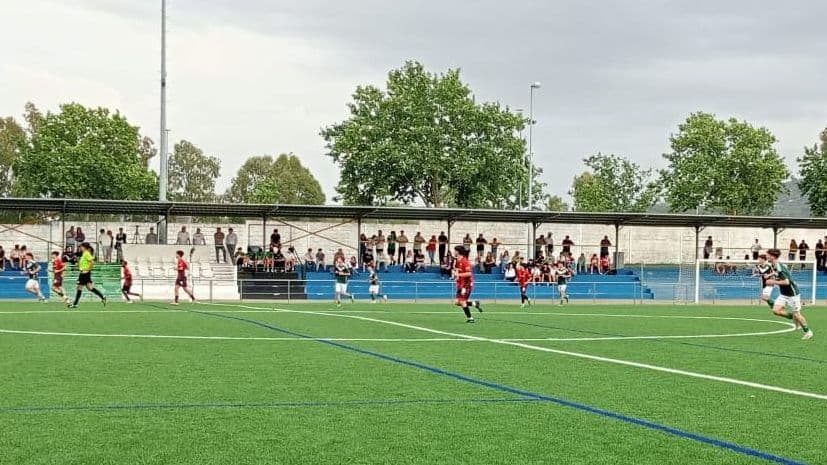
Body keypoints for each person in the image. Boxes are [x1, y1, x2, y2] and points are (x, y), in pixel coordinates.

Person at [765, 248, 813, 340]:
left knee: (797, 314)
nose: (766, 256)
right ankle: (793, 317)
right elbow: (779, 273)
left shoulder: (779, 266)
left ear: (772, 256)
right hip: (784, 294)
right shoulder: (775, 265)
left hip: (792, 294)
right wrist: (770, 275)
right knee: (776, 310)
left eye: (767, 255)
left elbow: (787, 282)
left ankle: (808, 331)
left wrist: (773, 281)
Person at [68, 242, 107, 308]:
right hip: (84, 273)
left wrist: (88, 269)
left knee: (79, 287)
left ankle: (75, 304)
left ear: (84, 247)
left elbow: (92, 261)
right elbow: (84, 263)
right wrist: (78, 264)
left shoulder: (86, 253)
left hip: (84, 273)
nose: (80, 248)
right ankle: (103, 297)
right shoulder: (84, 254)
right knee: (90, 288)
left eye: (81, 247)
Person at [452, 245, 482, 323]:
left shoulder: (465, 261)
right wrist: (457, 277)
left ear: (458, 252)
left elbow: (469, 273)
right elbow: (459, 272)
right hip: (461, 284)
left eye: (455, 250)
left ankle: (470, 318)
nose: (454, 252)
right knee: (457, 302)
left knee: (462, 301)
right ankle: (475, 303)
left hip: (467, 284)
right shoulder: (458, 261)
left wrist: (458, 275)